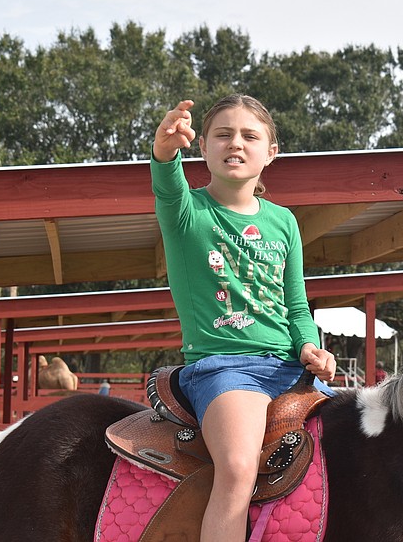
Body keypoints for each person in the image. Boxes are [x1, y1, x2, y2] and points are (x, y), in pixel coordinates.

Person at [151, 95, 336, 542]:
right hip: (227, 370)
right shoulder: (187, 212)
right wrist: (164, 152)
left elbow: (296, 305)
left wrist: (310, 348)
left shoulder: (284, 222)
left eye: (249, 136)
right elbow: (167, 185)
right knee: (236, 467)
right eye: (223, 134)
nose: (236, 143)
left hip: (291, 369)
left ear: (270, 152)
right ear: (203, 148)